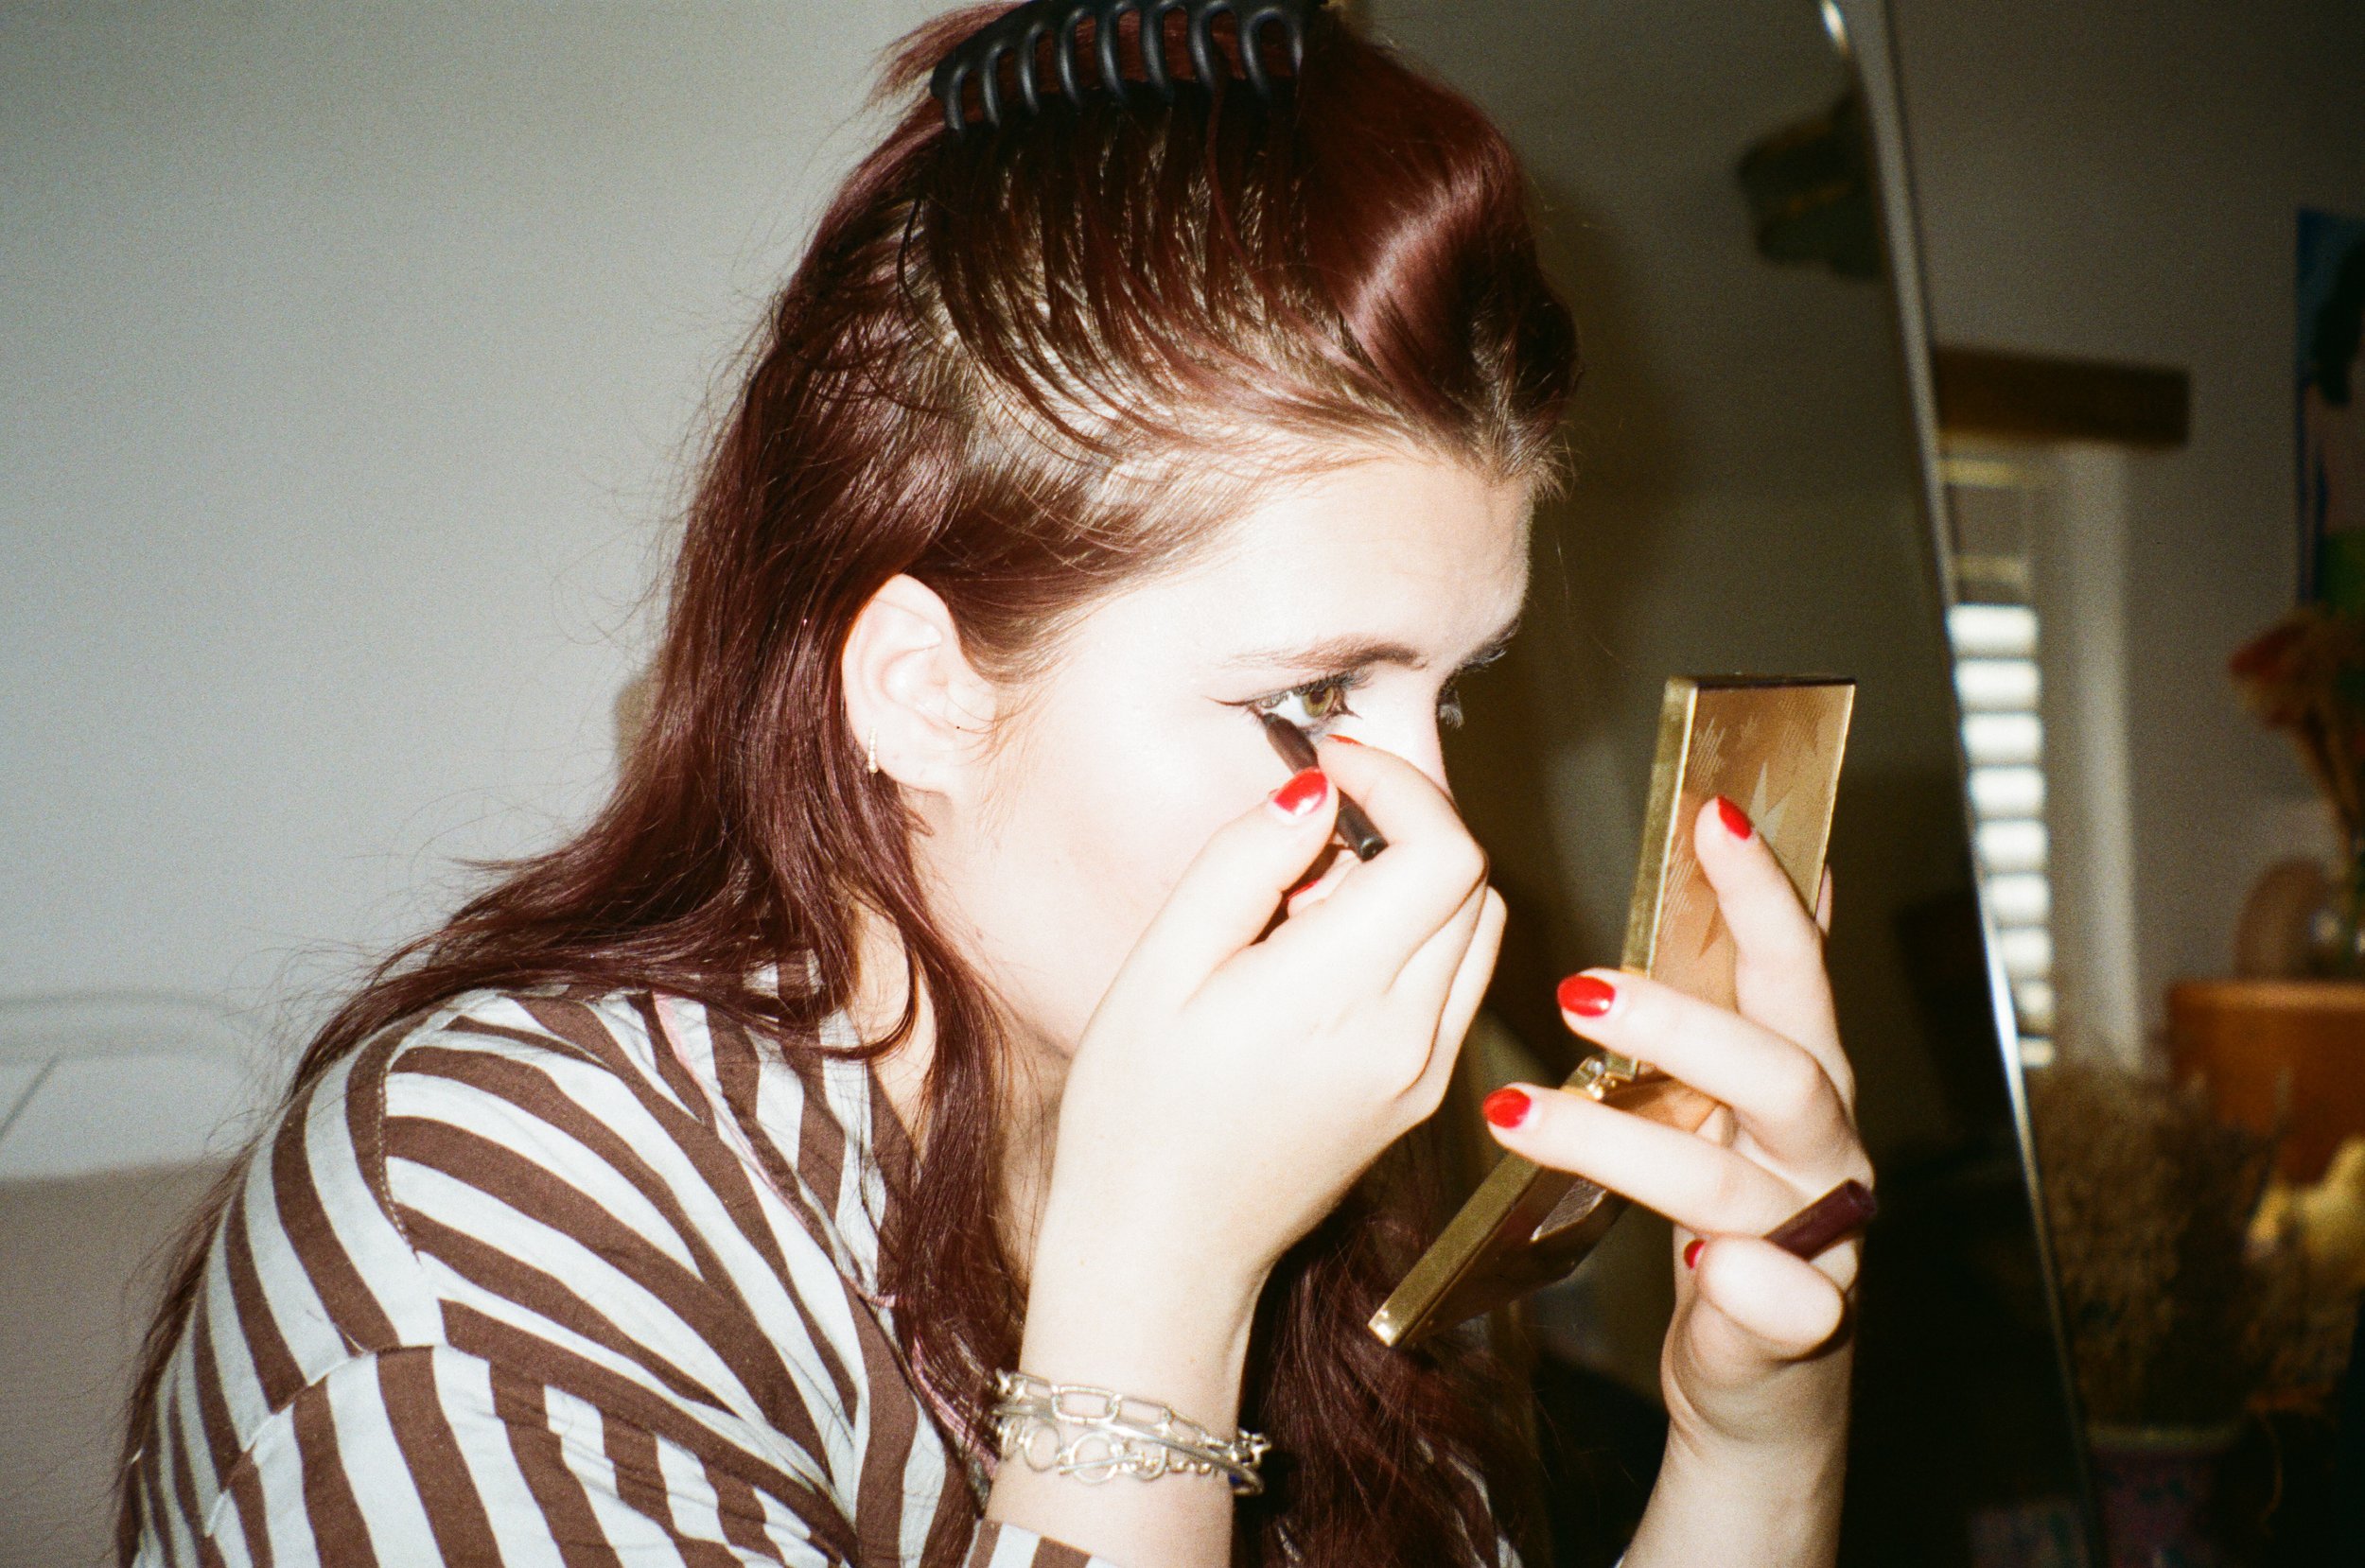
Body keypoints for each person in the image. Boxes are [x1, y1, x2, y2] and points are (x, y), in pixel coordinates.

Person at [119, 5, 1872, 1565]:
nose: (1442, 838)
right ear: (924, 693)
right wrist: (1157, 1293)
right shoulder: (486, 1234)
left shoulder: (1314, 1173)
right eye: (1311, 696)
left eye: (1449, 691)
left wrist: (1755, 1439)